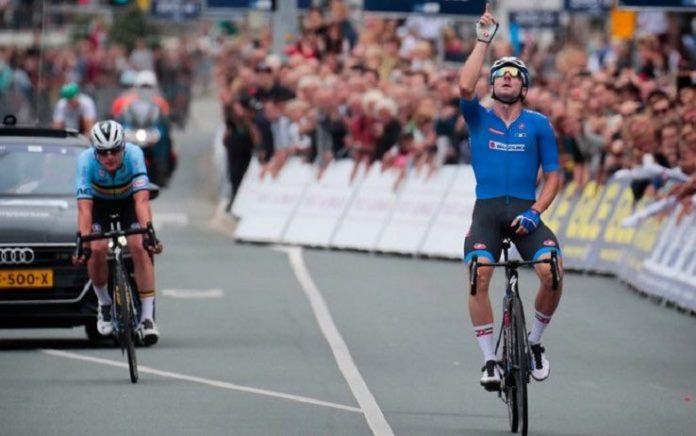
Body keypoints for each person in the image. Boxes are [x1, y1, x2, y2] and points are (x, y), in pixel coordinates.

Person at [458, 4, 564, 391]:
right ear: (493, 84)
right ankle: (489, 359)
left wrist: (536, 212)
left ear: (523, 86)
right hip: (487, 210)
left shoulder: (538, 125)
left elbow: (553, 176)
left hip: (524, 211)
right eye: (499, 76)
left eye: (513, 76)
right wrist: (483, 41)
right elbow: (465, 86)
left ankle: (534, 342)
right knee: (479, 275)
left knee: (552, 270)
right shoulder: (478, 117)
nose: (505, 79)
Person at [73, 120, 163, 345]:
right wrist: (83, 240)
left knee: (138, 246)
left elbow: (141, 200)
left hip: (127, 204)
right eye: (103, 153)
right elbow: (85, 208)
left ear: (123, 147)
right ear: (95, 152)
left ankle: (146, 318)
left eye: (114, 150)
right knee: (97, 248)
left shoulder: (134, 155)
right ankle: (104, 305)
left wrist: (149, 233)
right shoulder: (85, 162)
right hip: (99, 206)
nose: (110, 157)